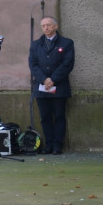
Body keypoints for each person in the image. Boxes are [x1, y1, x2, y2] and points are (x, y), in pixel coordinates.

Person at [29, 16, 75, 155]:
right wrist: (44, 79)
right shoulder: (36, 45)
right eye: (43, 26)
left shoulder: (66, 43)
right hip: (42, 87)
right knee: (45, 117)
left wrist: (53, 79)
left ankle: (57, 146)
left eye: (49, 25)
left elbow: (67, 63)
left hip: (59, 87)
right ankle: (48, 144)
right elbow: (33, 64)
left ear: (55, 26)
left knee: (59, 116)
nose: (46, 28)